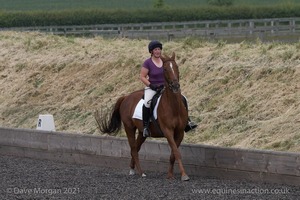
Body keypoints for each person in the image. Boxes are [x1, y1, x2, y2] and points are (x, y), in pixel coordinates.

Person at [140, 40, 197, 137]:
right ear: (151, 51)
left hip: (166, 87)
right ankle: (146, 127)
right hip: (153, 87)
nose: (158, 51)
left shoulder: (165, 62)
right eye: (155, 49)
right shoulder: (148, 63)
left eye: (159, 49)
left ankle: (187, 122)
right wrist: (151, 85)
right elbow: (142, 76)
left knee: (183, 99)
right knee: (147, 102)